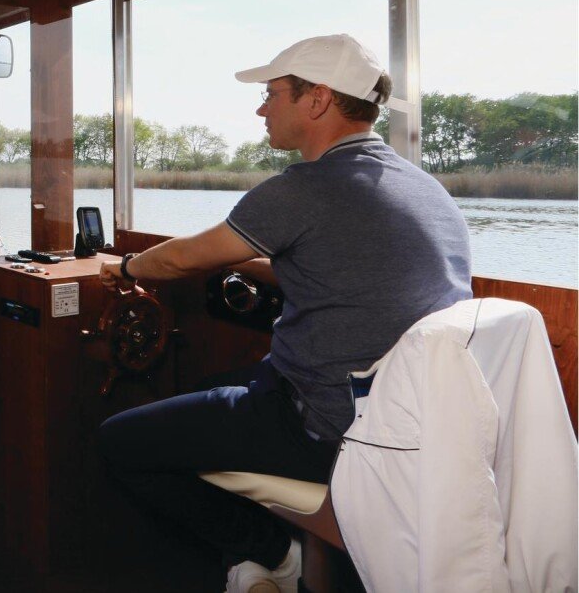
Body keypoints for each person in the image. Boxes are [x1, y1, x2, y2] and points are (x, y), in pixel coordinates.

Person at [96, 34, 472, 593]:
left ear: (317, 100)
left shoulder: (304, 187)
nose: (260, 108)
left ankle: (274, 556)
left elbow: (179, 260)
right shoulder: (424, 188)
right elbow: (341, 261)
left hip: (322, 426)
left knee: (119, 441)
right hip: (416, 422)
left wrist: (124, 268)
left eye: (273, 94)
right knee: (211, 388)